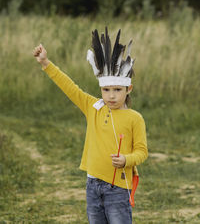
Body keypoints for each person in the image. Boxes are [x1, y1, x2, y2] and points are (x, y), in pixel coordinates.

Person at [33, 27, 148, 224]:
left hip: (118, 189)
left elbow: (142, 151)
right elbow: (69, 86)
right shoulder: (93, 107)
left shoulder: (134, 118)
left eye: (117, 90)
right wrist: (45, 63)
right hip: (92, 184)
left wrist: (126, 159)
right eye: (106, 89)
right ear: (101, 88)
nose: (111, 95)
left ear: (128, 89)